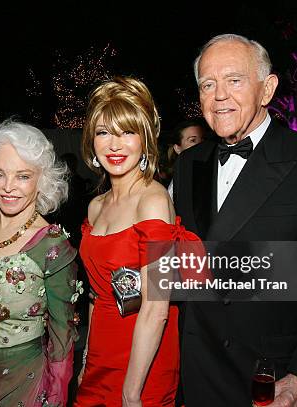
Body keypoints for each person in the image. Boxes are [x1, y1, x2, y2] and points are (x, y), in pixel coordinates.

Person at [173, 34, 297, 406]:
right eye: (207, 84)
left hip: (270, 380)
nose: (219, 96)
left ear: (267, 89)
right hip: (197, 373)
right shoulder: (188, 165)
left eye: (234, 80)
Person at [74, 76, 201, 406]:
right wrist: (87, 354)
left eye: (127, 132)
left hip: (144, 362)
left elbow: (157, 308)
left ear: (145, 139)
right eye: (103, 132)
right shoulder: (95, 205)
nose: (114, 145)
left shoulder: (154, 201)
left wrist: (132, 392)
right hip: (100, 351)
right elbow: (95, 292)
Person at [0, 120, 79, 407]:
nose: (8, 187)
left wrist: (55, 398)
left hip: (23, 386)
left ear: (42, 179)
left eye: (23, 176)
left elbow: (62, 340)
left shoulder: (52, 245)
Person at [166, 118, 210, 198]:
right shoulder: (177, 181)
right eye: (193, 140)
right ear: (177, 148)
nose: (200, 144)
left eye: (202, 139)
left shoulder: (214, 172)